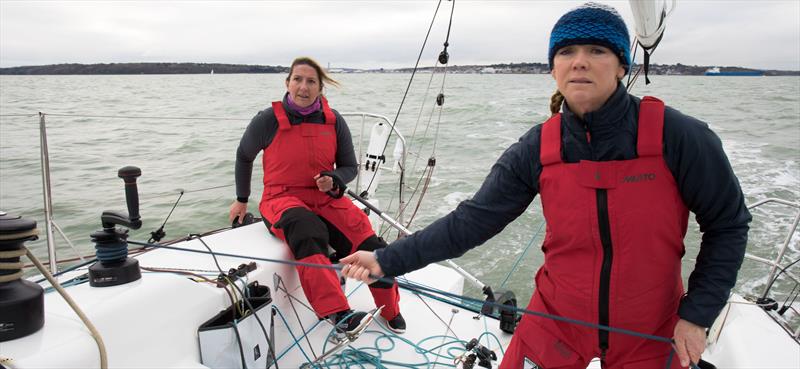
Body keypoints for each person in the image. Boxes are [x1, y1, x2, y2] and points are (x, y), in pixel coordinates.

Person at [342, 3, 750, 368]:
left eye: (597, 50)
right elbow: (473, 221)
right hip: (556, 319)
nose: (580, 62)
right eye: (566, 52)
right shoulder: (538, 147)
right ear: (553, 68)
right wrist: (387, 260)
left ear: (623, 64)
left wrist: (697, 315)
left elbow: (728, 224)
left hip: (651, 326)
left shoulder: (679, 137)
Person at [229, 56, 405, 334]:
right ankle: (338, 313)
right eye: (297, 79)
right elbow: (243, 155)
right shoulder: (267, 121)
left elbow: (349, 167)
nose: (303, 86)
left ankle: (391, 309)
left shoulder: (334, 121)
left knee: (368, 240)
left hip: (325, 198)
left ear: (320, 88)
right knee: (307, 229)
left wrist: (335, 179)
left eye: (311, 81)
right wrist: (241, 198)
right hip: (280, 199)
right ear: (287, 83)